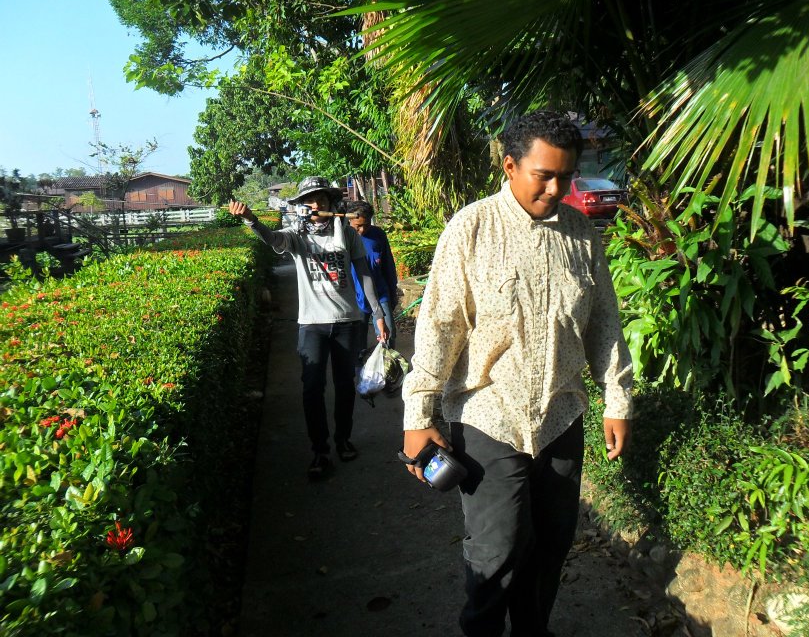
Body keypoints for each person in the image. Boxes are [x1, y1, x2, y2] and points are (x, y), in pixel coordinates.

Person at [400, 110, 634, 637]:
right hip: (488, 416)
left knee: (551, 543)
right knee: (496, 550)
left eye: (567, 177)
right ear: (510, 166)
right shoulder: (472, 228)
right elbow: (439, 326)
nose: (556, 188)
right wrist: (419, 415)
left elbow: (604, 324)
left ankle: (533, 630)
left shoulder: (581, 236)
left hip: (561, 416)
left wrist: (617, 400)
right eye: (544, 175)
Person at [229, 177, 388, 480]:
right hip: (311, 325)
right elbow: (272, 239)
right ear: (302, 206)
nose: (316, 206)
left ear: (331, 204)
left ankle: (343, 440)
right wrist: (251, 219)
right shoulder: (296, 235)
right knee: (312, 388)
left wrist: (378, 313)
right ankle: (320, 450)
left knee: (344, 386)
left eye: (322, 201)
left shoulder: (347, 232)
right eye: (309, 201)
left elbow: (365, 274)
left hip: (347, 323)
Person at [347, 200, 399, 348]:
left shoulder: (378, 235)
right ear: (349, 220)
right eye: (358, 226)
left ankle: (387, 367)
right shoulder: (344, 237)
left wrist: (392, 292)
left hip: (380, 292)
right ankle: (359, 365)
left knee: (388, 335)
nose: (362, 230)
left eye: (366, 225)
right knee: (357, 338)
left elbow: (388, 265)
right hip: (354, 296)